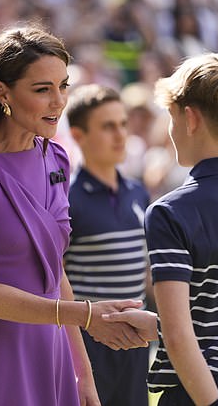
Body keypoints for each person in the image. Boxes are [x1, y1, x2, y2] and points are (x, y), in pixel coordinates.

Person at [0, 24, 146, 406]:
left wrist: (83, 373)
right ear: (2, 92)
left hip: (55, 348)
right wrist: (85, 315)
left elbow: (54, 270)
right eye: (42, 89)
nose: (59, 101)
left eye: (63, 86)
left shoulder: (56, 157)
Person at [104, 53, 218, 406]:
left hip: (200, 395)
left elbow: (178, 338)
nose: (170, 129)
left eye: (171, 117)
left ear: (190, 118)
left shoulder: (169, 211)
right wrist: (157, 325)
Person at [64, 83, 151, 406]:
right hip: (87, 347)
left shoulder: (138, 193)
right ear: (78, 135)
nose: (120, 135)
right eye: (107, 126)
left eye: (123, 125)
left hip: (136, 345)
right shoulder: (66, 199)